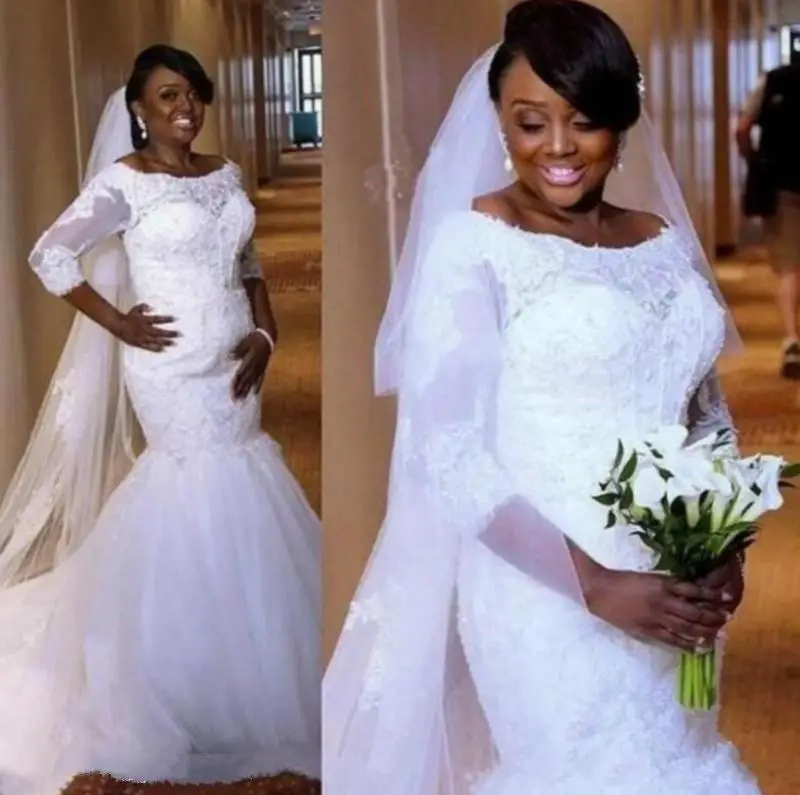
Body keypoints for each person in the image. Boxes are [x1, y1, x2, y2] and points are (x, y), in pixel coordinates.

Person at [324, 2, 760, 793]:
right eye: (531, 122)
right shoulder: (476, 243)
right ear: (500, 121)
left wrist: (725, 548)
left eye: (583, 121)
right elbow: (446, 450)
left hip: (675, 588)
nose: (557, 147)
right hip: (545, 589)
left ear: (620, 122)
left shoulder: (660, 239)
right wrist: (594, 581)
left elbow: (704, 412)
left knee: (678, 762)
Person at [0, 45, 320, 793]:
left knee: (243, 478)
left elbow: (248, 263)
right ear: (139, 110)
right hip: (168, 371)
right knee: (189, 487)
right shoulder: (124, 183)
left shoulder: (225, 174)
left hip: (236, 362)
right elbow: (50, 255)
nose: (186, 107)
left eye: (193, 94)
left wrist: (267, 332)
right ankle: (181, 672)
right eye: (169, 96)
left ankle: (245, 654)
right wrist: (119, 322)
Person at [737, 62, 800, 378]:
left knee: (789, 268)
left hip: (781, 184)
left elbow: (742, 128)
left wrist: (752, 159)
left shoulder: (774, 81)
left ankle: (792, 341)